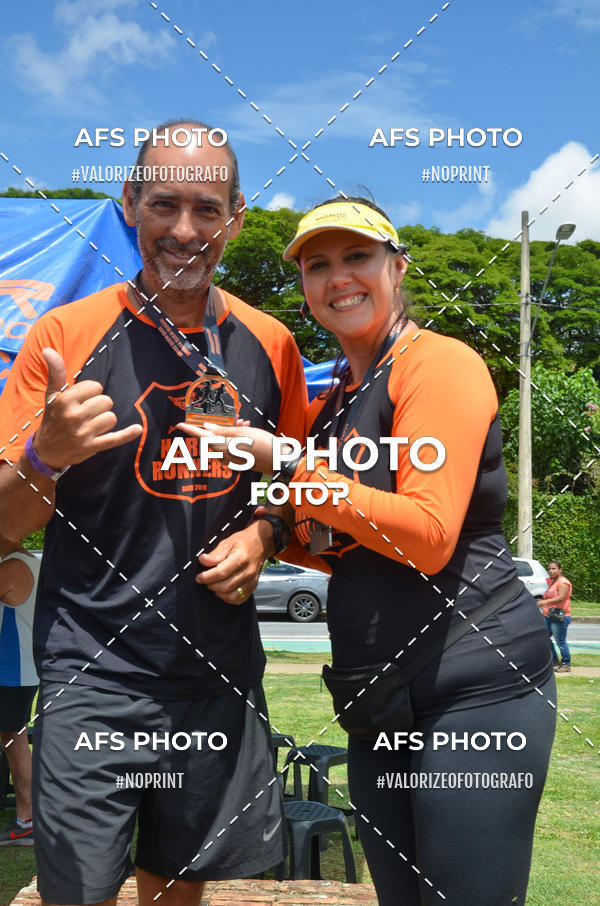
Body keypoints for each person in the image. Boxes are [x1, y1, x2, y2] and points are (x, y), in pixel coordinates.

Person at [183, 196, 557, 906]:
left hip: (475, 696)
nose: (338, 277)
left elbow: (428, 533)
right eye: (317, 265)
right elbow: (351, 540)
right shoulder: (341, 403)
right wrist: (267, 536)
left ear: (398, 267)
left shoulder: (439, 364)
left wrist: (285, 464)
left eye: (357, 256)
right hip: (378, 703)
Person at [0, 121, 306, 906]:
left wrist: (265, 534)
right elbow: (3, 524)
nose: (184, 229)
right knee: (77, 891)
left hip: (216, 674)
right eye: (163, 203)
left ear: (236, 217)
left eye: (207, 208)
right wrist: (47, 455)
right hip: (93, 673)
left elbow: (295, 483)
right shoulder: (64, 334)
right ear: (129, 201)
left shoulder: (271, 344)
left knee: (180, 886)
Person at [0, 536, 40, 846]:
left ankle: (26, 819)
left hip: (12, 671)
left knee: (14, 739)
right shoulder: (32, 563)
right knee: (14, 738)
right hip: (19, 669)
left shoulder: (13, 567)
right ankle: (27, 816)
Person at [542, 560, 572, 673]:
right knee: (544, 637)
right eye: (549, 569)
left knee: (560, 641)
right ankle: (554, 660)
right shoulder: (553, 582)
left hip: (560, 616)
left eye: (554, 568)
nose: (551, 571)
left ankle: (566, 664)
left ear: (560, 570)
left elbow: (561, 597)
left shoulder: (563, 582)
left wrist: (543, 603)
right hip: (549, 616)